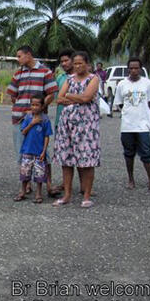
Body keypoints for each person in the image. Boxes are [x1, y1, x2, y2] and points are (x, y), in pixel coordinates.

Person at [53, 51, 101, 208]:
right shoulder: (69, 79)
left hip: (86, 126)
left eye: (81, 63)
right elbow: (59, 99)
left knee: (86, 160)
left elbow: (87, 97)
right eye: (75, 63)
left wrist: (70, 95)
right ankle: (67, 195)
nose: (78, 66)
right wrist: (78, 97)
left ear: (88, 64)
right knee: (66, 160)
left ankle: (86, 195)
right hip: (67, 124)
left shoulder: (93, 79)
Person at [113, 57, 150, 192]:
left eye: (136, 68)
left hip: (143, 125)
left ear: (140, 69)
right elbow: (120, 103)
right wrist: (129, 113)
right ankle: (131, 179)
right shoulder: (122, 84)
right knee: (128, 153)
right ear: (128, 69)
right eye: (131, 68)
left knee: (146, 153)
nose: (134, 70)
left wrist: (143, 114)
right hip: (127, 125)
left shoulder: (148, 84)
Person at [6, 46, 58, 164]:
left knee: (41, 150)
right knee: (20, 151)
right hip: (19, 118)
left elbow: (51, 94)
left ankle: (46, 181)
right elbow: (13, 95)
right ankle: (25, 180)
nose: (17, 59)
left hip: (38, 119)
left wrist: (38, 110)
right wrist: (20, 108)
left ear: (28, 55)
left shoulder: (45, 72)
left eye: (19, 56)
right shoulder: (18, 74)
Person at [15, 95, 52, 203]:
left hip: (39, 152)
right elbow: (23, 132)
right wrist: (32, 124)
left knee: (39, 174)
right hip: (27, 150)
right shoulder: (28, 118)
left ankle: (38, 193)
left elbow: (46, 136)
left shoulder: (45, 120)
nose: (34, 107)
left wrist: (44, 151)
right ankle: (22, 191)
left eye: (37, 105)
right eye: (32, 105)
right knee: (25, 173)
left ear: (42, 107)